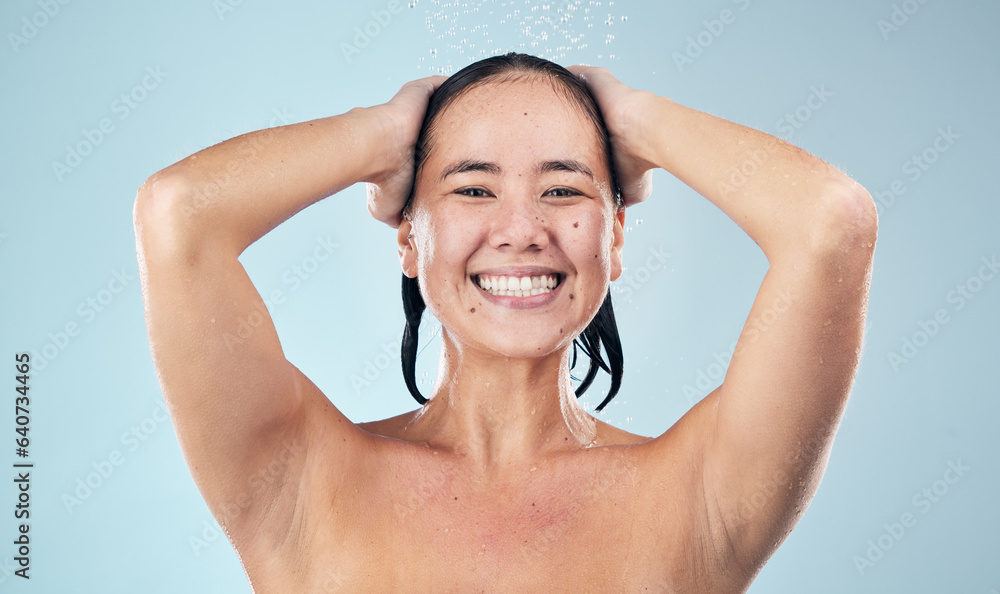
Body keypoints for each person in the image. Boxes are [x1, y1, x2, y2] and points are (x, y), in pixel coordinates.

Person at [133, 53, 877, 592]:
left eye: (562, 188)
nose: (521, 230)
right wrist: (380, 134)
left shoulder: (696, 497)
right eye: (472, 188)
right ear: (406, 237)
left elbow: (830, 224)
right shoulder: (297, 479)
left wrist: (637, 120)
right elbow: (178, 217)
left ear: (614, 239)